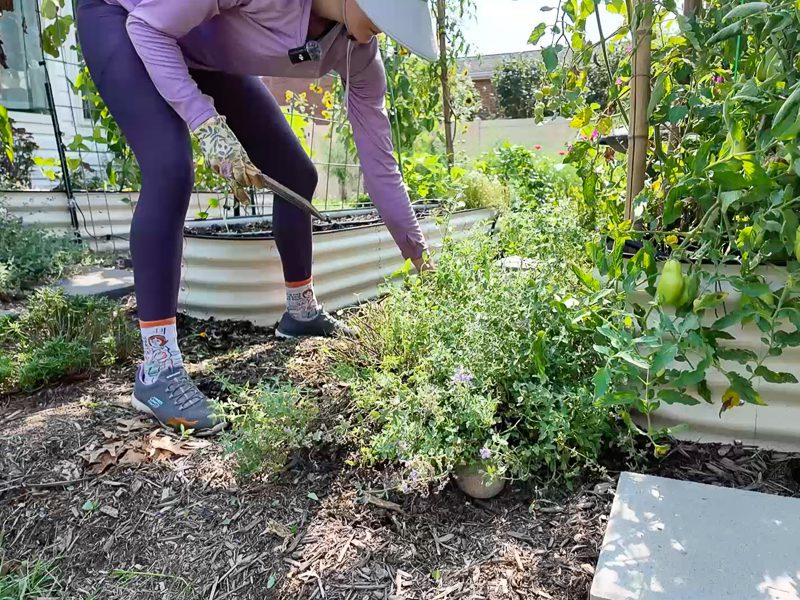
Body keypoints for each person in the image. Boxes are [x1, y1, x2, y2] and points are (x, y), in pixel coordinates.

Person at [75, 0, 438, 436]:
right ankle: (158, 368)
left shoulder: (358, 54)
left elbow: (380, 166)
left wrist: (422, 261)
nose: (381, 32)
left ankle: (301, 313)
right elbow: (149, 27)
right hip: (128, 18)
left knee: (296, 173)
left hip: (199, 44)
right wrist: (206, 125)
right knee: (170, 169)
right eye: (382, 19)